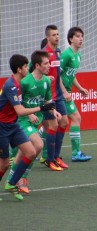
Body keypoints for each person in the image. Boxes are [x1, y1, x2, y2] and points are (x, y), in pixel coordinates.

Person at [1, 54, 55, 200]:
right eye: (25, 66)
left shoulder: (19, 84)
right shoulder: (12, 85)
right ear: (19, 69)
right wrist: (41, 108)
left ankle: (13, 183)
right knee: (5, 163)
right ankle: (15, 180)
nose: (27, 68)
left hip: (13, 124)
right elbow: (20, 110)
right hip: (3, 127)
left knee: (31, 152)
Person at [38, 25, 69, 170]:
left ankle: (56, 157)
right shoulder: (43, 54)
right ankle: (49, 160)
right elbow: (34, 74)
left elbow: (58, 76)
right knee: (53, 125)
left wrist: (63, 91)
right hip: (47, 97)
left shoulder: (58, 52)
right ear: (47, 37)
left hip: (58, 96)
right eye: (54, 35)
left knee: (64, 122)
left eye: (58, 34)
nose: (57, 37)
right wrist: (45, 78)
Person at [60, 26, 92, 162]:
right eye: (77, 36)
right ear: (70, 39)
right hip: (60, 93)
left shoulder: (78, 55)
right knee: (76, 118)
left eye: (82, 36)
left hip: (64, 92)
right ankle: (75, 153)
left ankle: (41, 150)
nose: (81, 39)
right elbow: (56, 75)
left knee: (51, 122)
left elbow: (71, 75)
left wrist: (79, 88)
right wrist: (64, 92)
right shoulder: (66, 54)